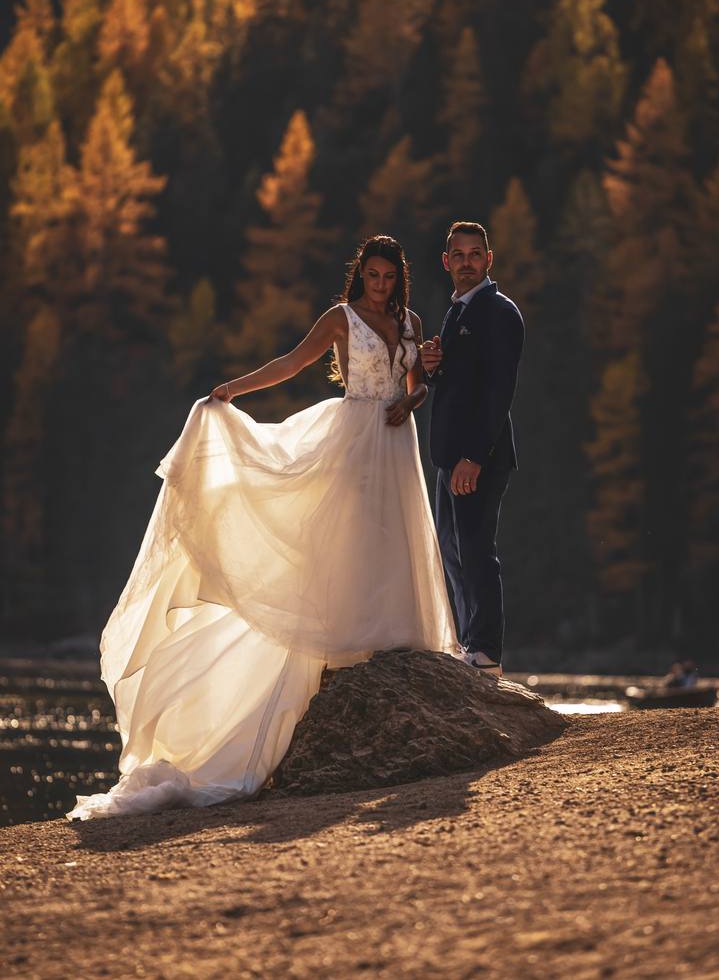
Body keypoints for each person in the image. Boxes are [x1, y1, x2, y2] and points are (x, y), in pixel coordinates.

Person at [68, 236, 455, 819]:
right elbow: (292, 363)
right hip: (352, 440)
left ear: (399, 279)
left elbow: (415, 386)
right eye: (371, 276)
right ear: (361, 277)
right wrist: (233, 389)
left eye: (387, 277)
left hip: (398, 445)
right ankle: (343, 650)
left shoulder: (410, 322)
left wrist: (415, 399)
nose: (379, 285)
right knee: (346, 543)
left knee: (395, 541)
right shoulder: (340, 318)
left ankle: (393, 640)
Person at [421, 222, 524, 678]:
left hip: (477, 458)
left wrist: (474, 457)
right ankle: (470, 645)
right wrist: (432, 369)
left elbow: (498, 392)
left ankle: (486, 653)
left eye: (475, 253)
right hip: (450, 458)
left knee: (477, 549)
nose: (466, 261)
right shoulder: (458, 311)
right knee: (453, 551)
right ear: (447, 262)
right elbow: (461, 386)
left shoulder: (498, 311)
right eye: (458, 255)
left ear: (488, 260)